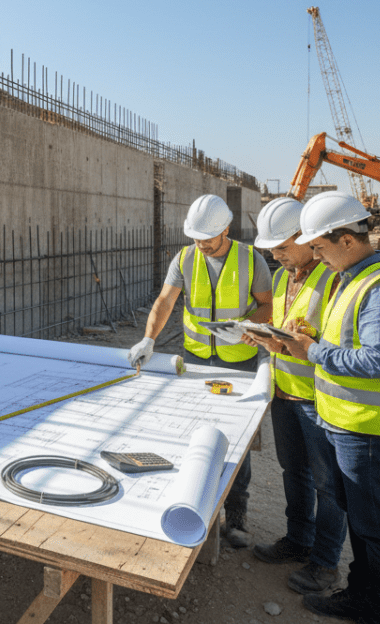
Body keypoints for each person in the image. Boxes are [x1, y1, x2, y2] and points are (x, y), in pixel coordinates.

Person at [279, 191, 380, 624]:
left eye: (320, 247)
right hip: (349, 424)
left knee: (376, 528)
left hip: (369, 429)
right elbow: (349, 343)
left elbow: (378, 363)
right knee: (364, 526)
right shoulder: (355, 279)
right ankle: (362, 596)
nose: (315, 256)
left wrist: (312, 351)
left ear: (347, 240)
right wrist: (312, 338)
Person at [127, 193, 272, 547]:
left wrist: (247, 327)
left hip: (238, 361)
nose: (202, 244)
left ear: (225, 230)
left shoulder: (251, 259)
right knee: (196, 434)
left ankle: (237, 515)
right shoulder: (186, 257)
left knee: (235, 441)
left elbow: (268, 306)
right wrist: (149, 339)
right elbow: (165, 301)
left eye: (208, 238)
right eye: (196, 238)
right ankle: (194, 502)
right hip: (196, 361)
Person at [242, 198, 347, 596]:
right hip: (286, 392)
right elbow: (288, 325)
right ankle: (298, 540)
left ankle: (324, 564)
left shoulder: (334, 277)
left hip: (319, 399)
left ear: (306, 238)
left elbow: (335, 343)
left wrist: (296, 345)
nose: (275, 255)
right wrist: (266, 336)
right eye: (272, 249)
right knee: (295, 473)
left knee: (328, 485)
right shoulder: (287, 276)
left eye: (282, 247)